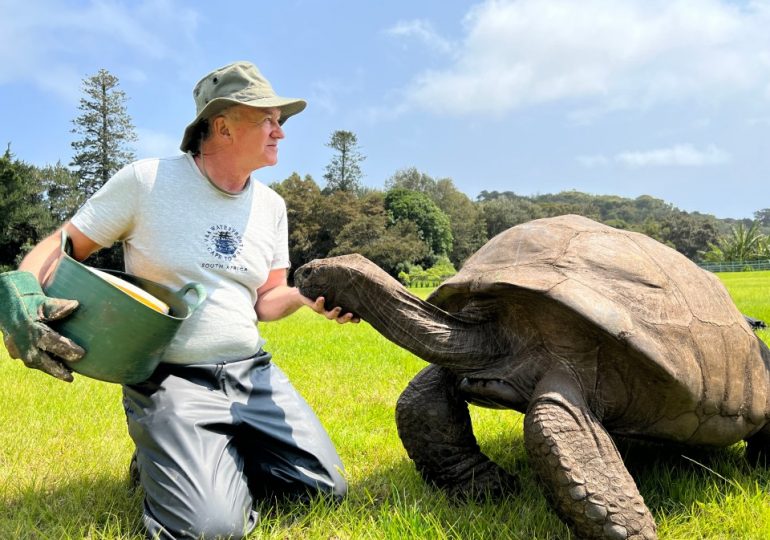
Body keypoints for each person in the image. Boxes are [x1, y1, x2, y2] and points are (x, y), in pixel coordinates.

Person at [0, 61, 356, 539]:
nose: (280, 133)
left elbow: (265, 299)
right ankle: (170, 452)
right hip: (173, 381)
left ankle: (190, 456)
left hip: (254, 374)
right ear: (223, 125)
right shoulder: (146, 182)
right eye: (268, 120)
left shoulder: (272, 206)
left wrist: (301, 298)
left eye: (281, 121)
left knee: (321, 492)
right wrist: (22, 290)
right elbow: (62, 244)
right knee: (211, 530)